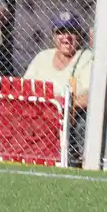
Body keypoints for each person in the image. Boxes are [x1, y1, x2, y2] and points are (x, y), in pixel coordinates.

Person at [23, 11, 93, 163]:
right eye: (60, 32)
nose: (66, 37)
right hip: (38, 114)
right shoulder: (43, 57)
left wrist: (59, 105)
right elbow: (24, 88)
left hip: (70, 116)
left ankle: (79, 161)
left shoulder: (86, 57)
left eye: (72, 32)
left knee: (85, 122)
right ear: (53, 36)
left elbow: (89, 97)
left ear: (79, 35)